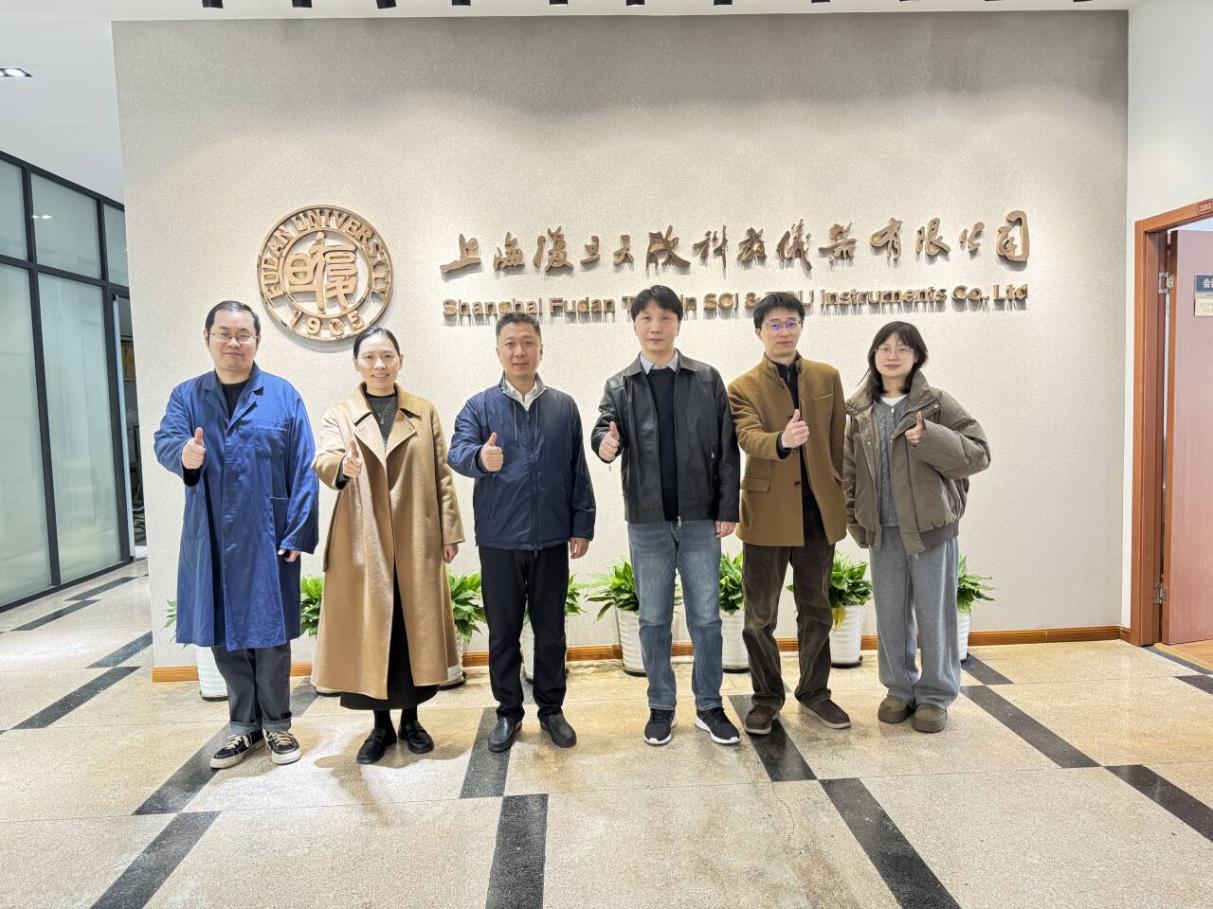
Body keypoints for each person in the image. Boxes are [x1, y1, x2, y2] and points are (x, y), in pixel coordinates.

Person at [154, 300, 318, 769]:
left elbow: (304, 467)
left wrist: (298, 531)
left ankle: (278, 725)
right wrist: (184, 455)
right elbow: (166, 440)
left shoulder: (282, 395)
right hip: (211, 535)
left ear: (257, 340)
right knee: (222, 632)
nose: (233, 342)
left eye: (243, 334)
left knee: (270, 635)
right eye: (223, 333)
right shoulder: (187, 396)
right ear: (207, 338)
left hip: (268, 536)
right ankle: (243, 728)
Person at [591, 285, 741, 747]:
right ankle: (661, 706)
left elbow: (728, 447)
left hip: (700, 520)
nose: (655, 327)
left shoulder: (706, 378)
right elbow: (601, 430)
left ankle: (709, 705)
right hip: (648, 521)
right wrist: (604, 445)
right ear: (634, 324)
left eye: (664, 318)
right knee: (653, 619)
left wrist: (727, 508)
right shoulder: (620, 385)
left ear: (678, 322)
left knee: (707, 619)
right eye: (646, 318)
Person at [311, 327, 465, 765]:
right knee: (373, 630)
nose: (379, 365)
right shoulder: (340, 413)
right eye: (370, 358)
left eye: (387, 356)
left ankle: (412, 720)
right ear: (357, 364)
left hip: (416, 534)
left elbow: (442, 474)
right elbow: (324, 458)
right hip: (363, 540)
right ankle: (380, 726)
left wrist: (449, 531)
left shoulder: (424, 411)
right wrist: (343, 465)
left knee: (412, 629)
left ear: (400, 360)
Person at [448, 313, 595, 752]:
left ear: (540, 349)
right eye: (510, 343)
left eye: (528, 342)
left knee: (551, 631)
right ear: (498, 350)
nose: (519, 351)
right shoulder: (479, 406)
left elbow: (578, 470)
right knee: (503, 633)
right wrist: (479, 458)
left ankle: (552, 710)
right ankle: (508, 712)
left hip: (551, 538)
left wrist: (582, 524)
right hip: (499, 539)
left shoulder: (563, 407)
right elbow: (457, 450)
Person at [843, 322, 990, 733]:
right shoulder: (859, 411)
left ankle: (935, 696)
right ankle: (898, 689)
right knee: (890, 615)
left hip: (930, 529)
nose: (893, 355)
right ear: (874, 356)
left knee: (934, 615)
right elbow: (848, 470)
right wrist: (854, 519)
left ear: (917, 356)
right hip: (883, 530)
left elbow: (978, 454)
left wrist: (930, 437)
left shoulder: (935, 404)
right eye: (885, 348)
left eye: (902, 348)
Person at [726, 292, 851, 735]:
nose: (783, 331)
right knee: (760, 616)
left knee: (816, 609)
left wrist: (838, 490)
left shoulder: (827, 376)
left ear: (801, 326)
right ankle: (765, 698)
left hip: (818, 512)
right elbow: (747, 437)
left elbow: (837, 441)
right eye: (774, 324)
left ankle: (815, 693)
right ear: (758, 331)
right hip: (767, 513)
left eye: (791, 322)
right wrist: (782, 440)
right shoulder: (742, 387)